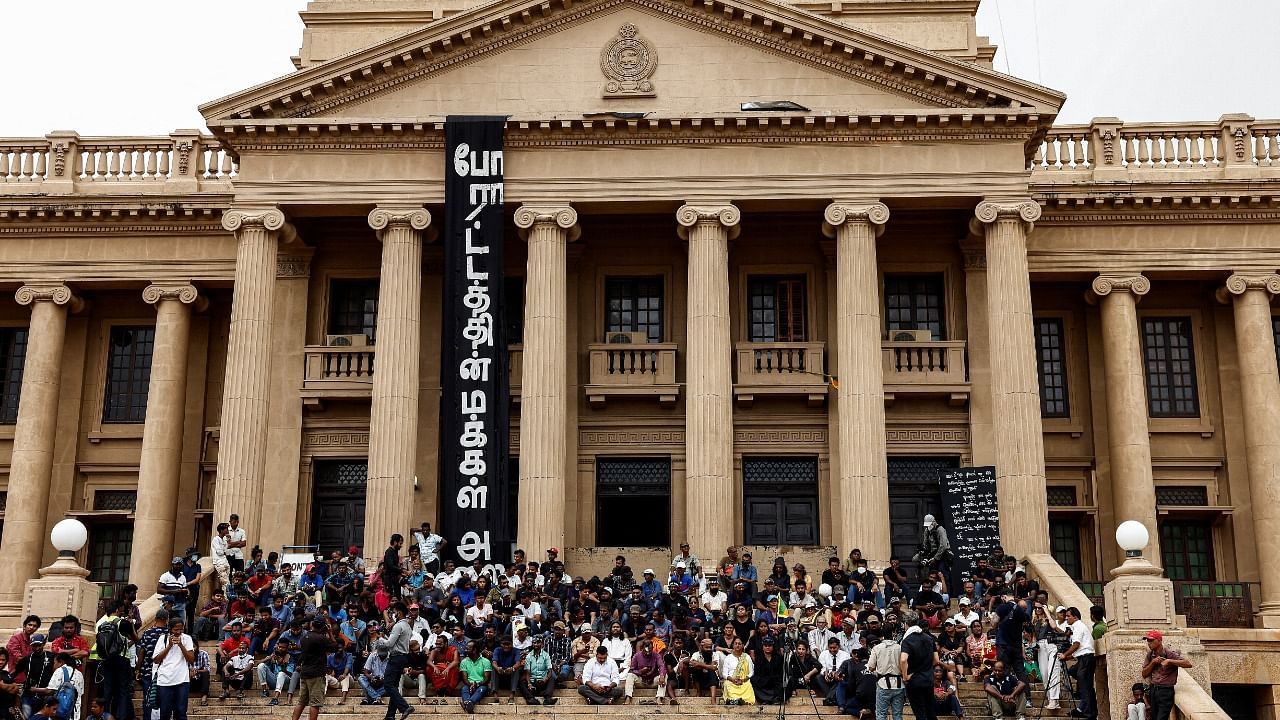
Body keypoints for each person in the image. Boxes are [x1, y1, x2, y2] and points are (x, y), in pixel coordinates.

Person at [95, 601, 137, 720]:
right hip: (122, 660)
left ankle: (106, 716)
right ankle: (121, 717)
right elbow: (135, 638)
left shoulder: (101, 623)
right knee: (123, 691)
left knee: (107, 691)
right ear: (118, 610)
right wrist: (131, 624)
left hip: (106, 660)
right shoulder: (121, 623)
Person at [292, 619, 338, 720]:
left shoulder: (304, 637)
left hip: (305, 672)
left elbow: (303, 653)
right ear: (323, 627)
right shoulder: (321, 638)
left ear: (312, 625)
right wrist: (330, 633)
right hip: (316, 673)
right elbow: (335, 647)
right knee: (315, 703)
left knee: (301, 701)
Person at [1140, 629, 1191, 720]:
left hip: (1165, 691)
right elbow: (1144, 674)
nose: (1149, 643)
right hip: (1153, 690)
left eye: (1151, 640)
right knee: (1155, 717)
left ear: (1159, 641)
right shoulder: (1150, 655)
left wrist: (1170, 661)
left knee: (1161, 718)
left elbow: (1188, 664)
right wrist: (1153, 662)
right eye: (1148, 641)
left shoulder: (1170, 654)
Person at [152, 619, 195, 720]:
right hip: (164, 681)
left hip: (182, 680)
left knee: (181, 712)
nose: (179, 632)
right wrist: (169, 646)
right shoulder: (162, 639)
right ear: (170, 629)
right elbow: (156, 660)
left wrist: (181, 645)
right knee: (165, 713)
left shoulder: (187, 638)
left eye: (181, 629)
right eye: (176, 629)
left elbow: (191, 659)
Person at [1059, 607, 1096, 720]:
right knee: (1073, 672)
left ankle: (1089, 713)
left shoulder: (1078, 626)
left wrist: (1064, 655)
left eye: (1068, 616)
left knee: (1086, 687)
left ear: (1075, 617)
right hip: (1083, 659)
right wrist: (1067, 657)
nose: (1066, 618)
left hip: (1086, 659)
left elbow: (1076, 645)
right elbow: (1078, 650)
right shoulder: (1076, 627)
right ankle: (1084, 707)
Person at [900, 618, 939, 720]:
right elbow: (936, 660)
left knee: (920, 713)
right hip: (928, 679)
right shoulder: (929, 638)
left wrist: (905, 677)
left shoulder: (907, 640)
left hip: (914, 680)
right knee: (930, 711)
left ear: (906, 624)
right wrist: (927, 668)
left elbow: (903, 660)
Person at [867, 631, 904, 720]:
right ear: (893, 634)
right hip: (899, 684)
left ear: (882, 635)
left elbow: (871, 667)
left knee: (881, 714)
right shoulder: (900, 648)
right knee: (898, 715)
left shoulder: (877, 648)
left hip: (883, 684)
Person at [36, 653, 82, 720]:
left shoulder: (60, 670)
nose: (53, 666)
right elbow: (80, 695)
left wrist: (34, 690)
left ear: (61, 662)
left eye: (54, 663)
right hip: (74, 714)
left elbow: (50, 691)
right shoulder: (80, 674)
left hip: (59, 714)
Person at [624, 637, 667, 704]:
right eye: (646, 651)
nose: (648, 653)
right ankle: (628, 697)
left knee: (664, 675)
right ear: (642, 649)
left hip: (653, 681)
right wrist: (640, 671)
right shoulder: (637, 656)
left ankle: (659, 697)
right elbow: (631, 670)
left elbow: (661, 666)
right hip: (641, 680)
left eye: (650, 651)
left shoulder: (656, 655)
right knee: (630, 675)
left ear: (652, 649)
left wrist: (661, 675)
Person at [911, 515, 952, 581]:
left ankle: (945, 591)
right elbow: (925, 544)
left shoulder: (940, 530)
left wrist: (935, 558)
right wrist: (921, 554)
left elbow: (943, 545)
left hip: (943, 556)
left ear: (934, 521)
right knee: (932, 576)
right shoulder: (927, 531)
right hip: (932, 555)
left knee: (943, 576)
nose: (929, 526)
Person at [520, 635, 555, 705]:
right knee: (522, 681)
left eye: (538, 642)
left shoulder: (546, 655)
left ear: (542, 644)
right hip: (533, 683)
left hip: (543, 682)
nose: (535, 644)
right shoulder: (529, 656)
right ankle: (530, 698)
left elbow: (550, 670)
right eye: (534, 642)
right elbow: (528, 672)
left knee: (552, 678)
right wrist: (529, 683)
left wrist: (546, 678)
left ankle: (547, 698)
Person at [458, 642, 493, 713]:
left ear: (474, 650)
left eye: (468, 649)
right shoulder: (464, 661)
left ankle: (468, 703)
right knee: (464, 688)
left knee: (482, 689)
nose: (465, 650)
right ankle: (468, 703)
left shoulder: (485, 661)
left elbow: (487, 679)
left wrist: (477, 684)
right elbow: (464, 678)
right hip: (469, 685)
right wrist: (471, 684)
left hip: (482, 685)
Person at [720, 638, 754, 706]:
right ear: (733, 645)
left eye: (739, 644)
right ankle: (734, 700)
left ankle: (742, 701)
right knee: (727, 684)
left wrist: (744, 680)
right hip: (731, 680)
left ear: (743, 646)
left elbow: (751, 672)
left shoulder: (747, 657)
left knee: (748, 685)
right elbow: (724, 674)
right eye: (736, 643)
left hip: (744, 681)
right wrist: (732, 680)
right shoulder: (728, 657)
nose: (737, 645)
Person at [688, 636, 722, 703]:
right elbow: (692, 664)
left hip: (712, 681)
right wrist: (708, 666)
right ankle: (698, 692)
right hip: (700, 680)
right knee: (695, 670)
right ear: (701, 647)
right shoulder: (696, 654)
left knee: (711, 671)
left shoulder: (715, 654)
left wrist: (700, 664)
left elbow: (714, 667)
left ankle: (713, 699)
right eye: (706, 647)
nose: (709, 649)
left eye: (710, 647)